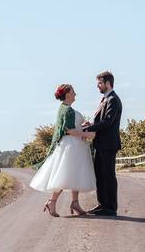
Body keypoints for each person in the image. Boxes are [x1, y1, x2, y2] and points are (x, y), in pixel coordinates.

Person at [28, 84, 97, 217]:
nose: (75, 94)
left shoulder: (65, 109)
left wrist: (83, 126)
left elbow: (71, 126)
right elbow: (69, 130)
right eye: (73, 92)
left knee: (73, 175)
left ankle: (75, 203)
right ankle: (52, 201)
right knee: (65, 175)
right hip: (71, 146)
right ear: (67, 94)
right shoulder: (67, 110)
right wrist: (87, 134)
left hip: (73, 145)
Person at [82, 70, 122, 216]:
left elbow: (107, 122)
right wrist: (91, 123)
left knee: (109, 176)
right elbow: (100, 120)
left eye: (99, 83)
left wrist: (87, 128)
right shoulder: (105, 99)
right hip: (100, 144)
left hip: (109, 145)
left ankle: (111, 207)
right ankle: (102, 204)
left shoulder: (113, 100)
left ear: (107, 83)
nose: (97, 86)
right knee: (100, 175)